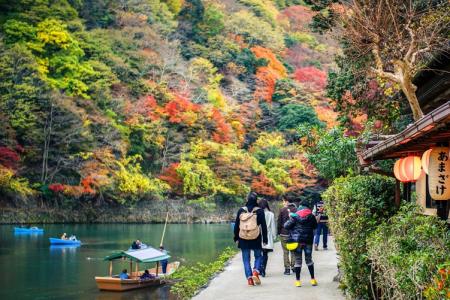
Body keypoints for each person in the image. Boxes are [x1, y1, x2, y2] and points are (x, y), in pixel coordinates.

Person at [233, 192, 268, 286]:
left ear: (247, 199)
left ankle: (249, 279)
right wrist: (265, 239)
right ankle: (256, 272)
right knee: (258, 256)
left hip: (243, 238)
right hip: (255, 237)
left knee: (246, 259)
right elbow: (264, 226)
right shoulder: (259, 211)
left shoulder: (241, 210)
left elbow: (236, 226)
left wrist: (236, 238)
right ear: (256, 200)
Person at [284, 201, 318, 287]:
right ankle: (313, 280)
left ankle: (298, 281)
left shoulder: (295, 216)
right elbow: (315, 226)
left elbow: (286, 226)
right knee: (309, 260)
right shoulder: (311, 216)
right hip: (308, 241)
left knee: (298, 261)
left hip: (297, 241)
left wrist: (290, 218)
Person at [277, 196, 297, 275]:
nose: (283, 203)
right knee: (293, 251)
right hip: (293, 234)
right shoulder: (296, 210)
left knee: (285, 252)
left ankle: (287, 269)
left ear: (287, 201)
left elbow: (279, 222)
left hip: (284, 233)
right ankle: (294, 267)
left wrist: (278, 232)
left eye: (283, 201)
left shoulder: (282, 210)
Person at [258, 198, 276, 277]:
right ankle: (263, 269)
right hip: (267, 235)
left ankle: (260, 268)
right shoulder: (271, 214)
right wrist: (274, 236)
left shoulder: (257, 213)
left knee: (259, 254)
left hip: (258, 235)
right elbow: (273, 226)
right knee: (265, 254)